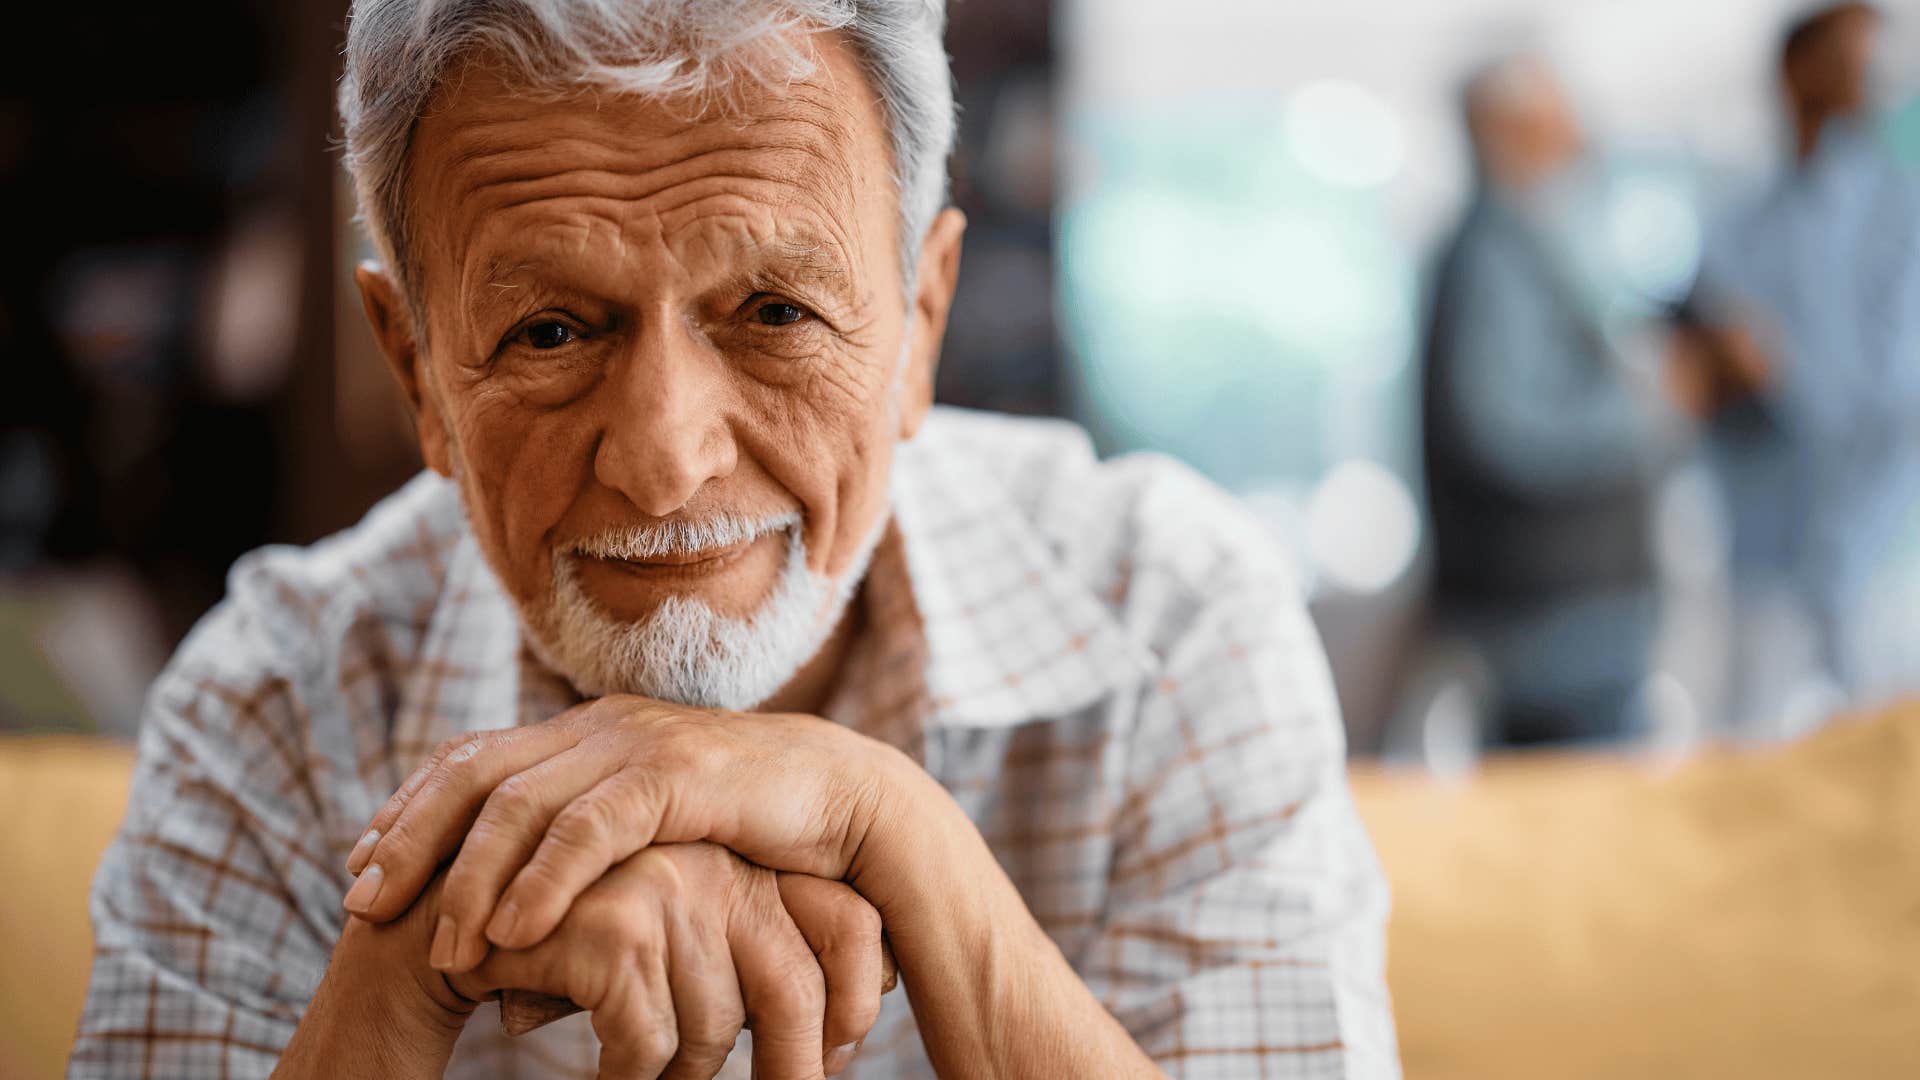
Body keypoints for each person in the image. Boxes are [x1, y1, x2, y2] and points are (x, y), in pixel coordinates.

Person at [69, 2, 1397, 1078]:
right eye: (550, 332)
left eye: (773, 311)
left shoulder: (1167, 619)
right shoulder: (276, 705)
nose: (665, 460)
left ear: (921, 323)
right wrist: (424, 946)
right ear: (417, 374)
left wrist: (894, 834)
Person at [1420, 56, 1732, 746]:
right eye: (1558, 122)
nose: (1580, 141)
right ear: (1510, 134)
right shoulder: (1491, 262)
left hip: (1569, 612)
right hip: (1551, 621)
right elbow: (1504, 429)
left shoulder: (1527, 247)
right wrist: (1650, 410)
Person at [1696, 1, 1920, 728]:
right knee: (1752, 773)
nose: (1864, 81)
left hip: (1879, 550)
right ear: (1792, 75)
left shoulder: (1902, 211)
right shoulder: (1738, 221)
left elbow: (1893, 386)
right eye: (1845, 62)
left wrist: (1778, 369)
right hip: (1764, 548)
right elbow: (1701, 383)